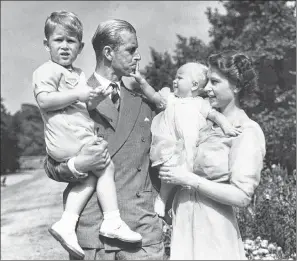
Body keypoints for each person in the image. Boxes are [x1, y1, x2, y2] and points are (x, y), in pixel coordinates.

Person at [43, 18, 164, 260]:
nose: (138, 57)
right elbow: (50, 164)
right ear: (108, 52)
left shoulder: (144, 101)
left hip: (141, 232)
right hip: (92, 234)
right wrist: (77, 165)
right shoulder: (68, 96)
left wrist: (161, 208)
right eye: (131, 49)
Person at [158, 50, 266, 260]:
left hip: (214, 235)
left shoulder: (247, 130)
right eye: (207, 81)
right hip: (184, 229)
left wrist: (190, 180)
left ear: (236, 86)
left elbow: (242, 196)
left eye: (214, 82)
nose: (206, 88)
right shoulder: (203, 125)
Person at [130, 62, 242, 217]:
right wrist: (142, 82)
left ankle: (184, 205)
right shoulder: (170, 99)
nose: (174, 81)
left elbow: (215, 115)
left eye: (179, 78)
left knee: (190, 176)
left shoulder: (200, 104)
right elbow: (154, 96)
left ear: (194, 85)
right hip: (172, 145)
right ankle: (162, 199)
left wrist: (226, 126)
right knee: (169, 173)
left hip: (192, 147)